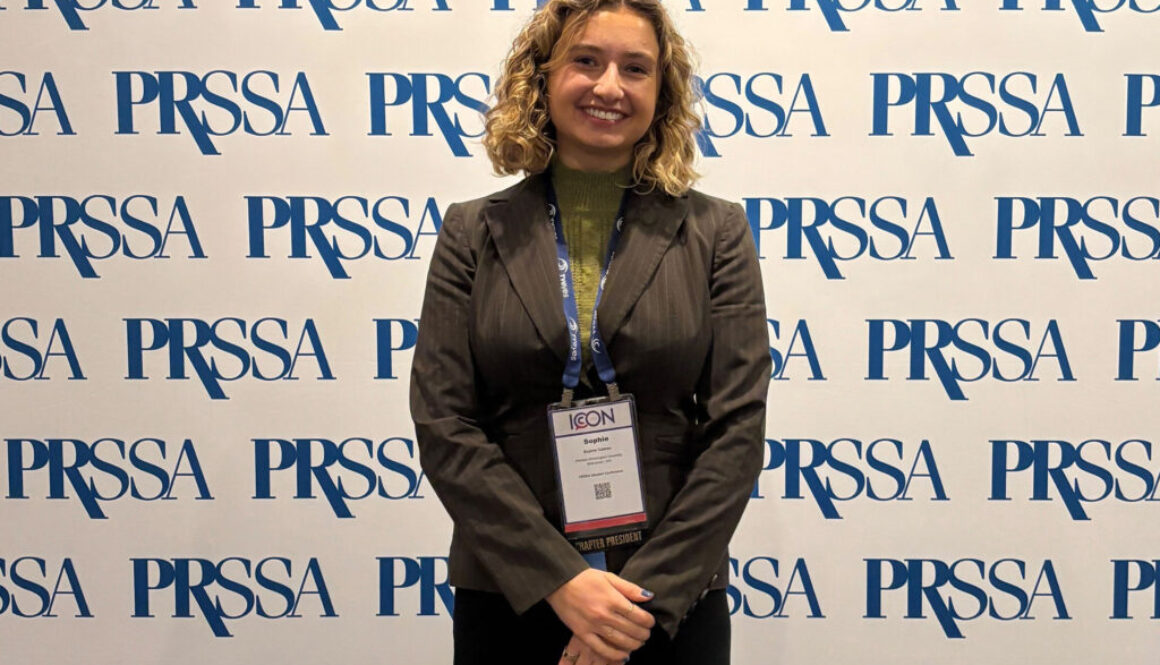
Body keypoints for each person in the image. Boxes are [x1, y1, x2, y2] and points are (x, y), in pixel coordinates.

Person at [409, 1, 770, 663]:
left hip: (668, 601)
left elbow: (737, 432)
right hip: (512, 590)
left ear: (661, 95)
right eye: (586, 60)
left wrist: (642, 601)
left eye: (636, 68)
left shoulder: (718, 233)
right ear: (542, 77)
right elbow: (445, 422)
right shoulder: (471, 232)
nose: (610, 85)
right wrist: (560, 580)